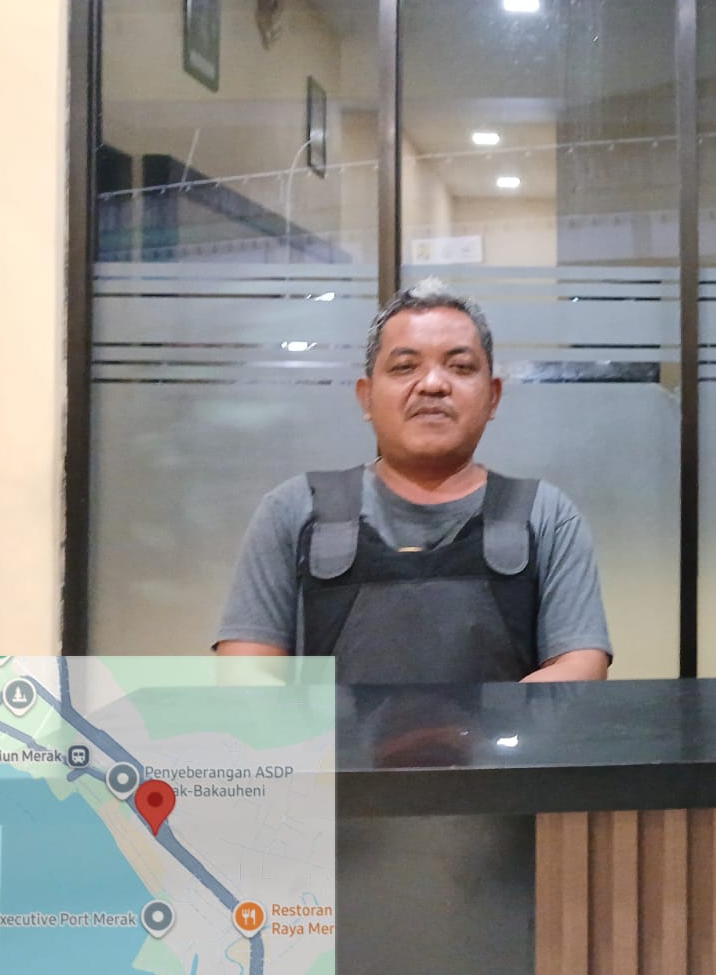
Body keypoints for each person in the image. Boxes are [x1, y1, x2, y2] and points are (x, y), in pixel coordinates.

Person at [214, 279, 611, 684]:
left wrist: (492, 721)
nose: (433, 384)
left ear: (493, 397)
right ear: (366, 397)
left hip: (502, 731)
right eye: (405, 367)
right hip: (330, 732)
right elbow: (244, 672)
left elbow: (581, 667)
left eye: (460, 367)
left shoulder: (546, 516)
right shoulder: (294, 510)